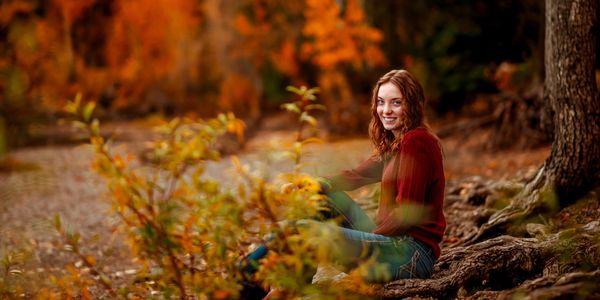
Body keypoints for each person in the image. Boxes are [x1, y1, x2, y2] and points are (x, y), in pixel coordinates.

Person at [240, 69, 446, 297]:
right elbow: (355, 175)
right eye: (381, 102)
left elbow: (406, 216)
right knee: (319, 199)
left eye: (396, 103)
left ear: (412, 104)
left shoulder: (417, 141)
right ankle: (291, 284)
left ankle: (241, 285)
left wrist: (363, 239)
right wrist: (311, 185)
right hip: (393, 243)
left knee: (301, 230)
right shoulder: (396, 144)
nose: (386, 110)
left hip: (410, 255)